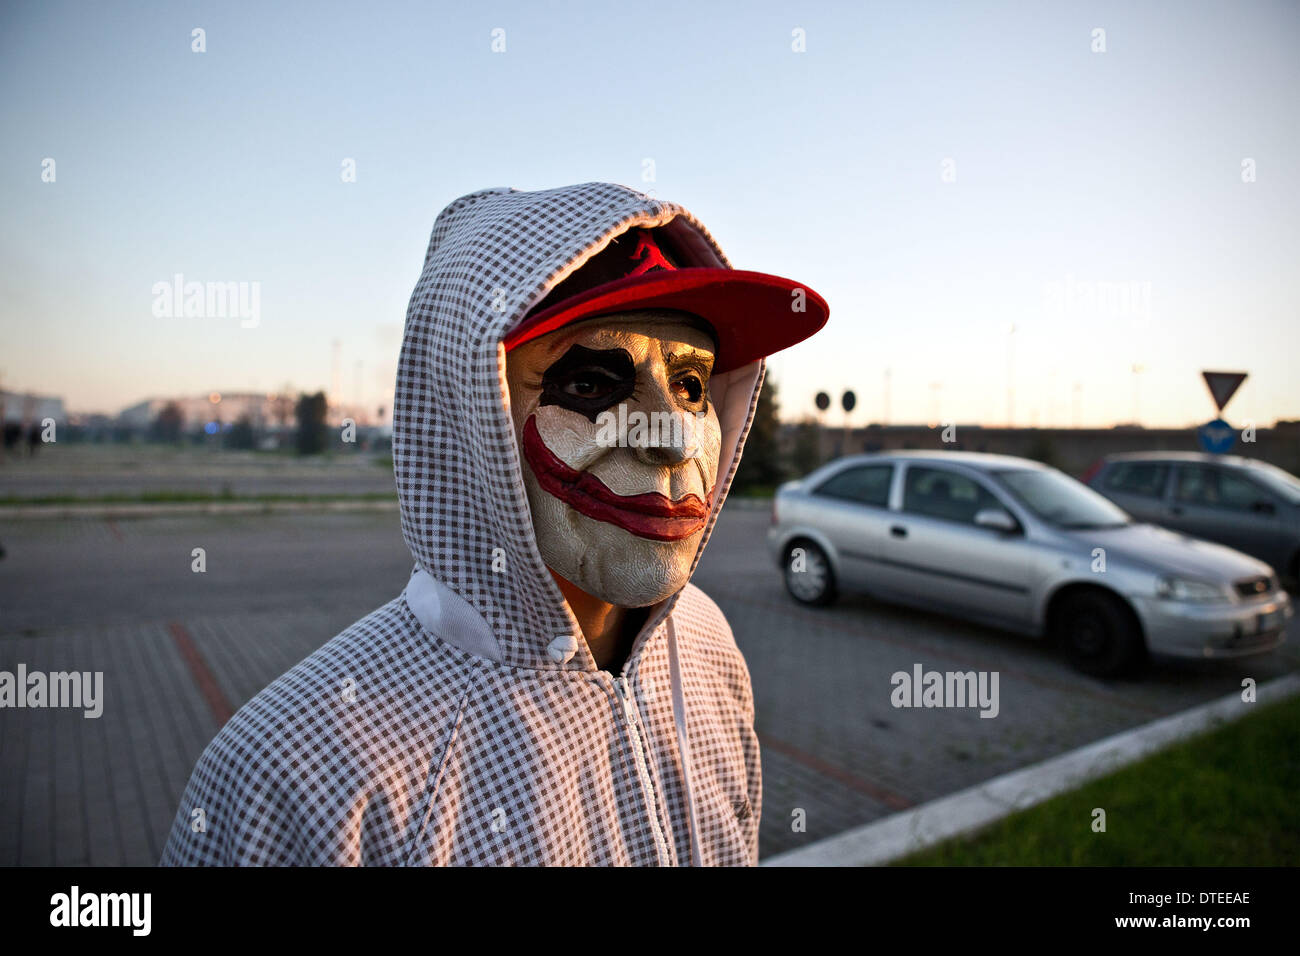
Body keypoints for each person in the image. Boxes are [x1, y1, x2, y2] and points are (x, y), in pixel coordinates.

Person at [159, 182, 828, 866]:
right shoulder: (290, 772)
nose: (677, 438)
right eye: (591, 384)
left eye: (691, 386)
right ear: (469, 413)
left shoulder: (710, 648)